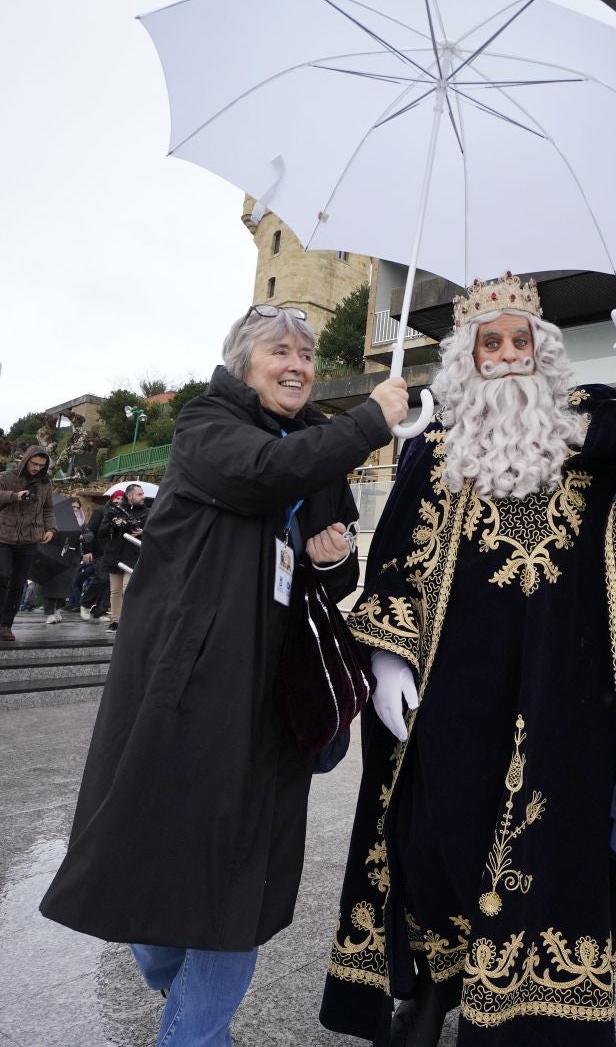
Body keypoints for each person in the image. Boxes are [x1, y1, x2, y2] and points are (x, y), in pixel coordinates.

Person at [320, 275, 616, 1047]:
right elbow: (396, 563)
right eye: (493, 343)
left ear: (543, 350)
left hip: (568, 694)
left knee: (552, 853)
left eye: (521, 341)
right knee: (435, 841)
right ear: (468, 357)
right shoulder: (437, 445)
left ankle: (542, 1020)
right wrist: (387, 658)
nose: (509, 354)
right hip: (457, 691)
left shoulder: (590, 419)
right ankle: (435, 983)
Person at [40, 305, 408, 1047]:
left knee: (235, 887)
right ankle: (180, 991)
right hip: (185, 689)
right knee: (149, 863)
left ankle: (195, 1035)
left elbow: (333, 575)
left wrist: (333, 559)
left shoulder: (319, 449)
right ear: (244, 362)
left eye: (307, 354)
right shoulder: (206, 427)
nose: (299, 364)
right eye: (282, 351)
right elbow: (261, 475)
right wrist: (371, 420)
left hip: (274, 698)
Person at [0, 446, 56, 642]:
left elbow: (48, 509)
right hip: (3, 536)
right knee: (2, 575)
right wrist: (14, 496)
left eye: (42, 465)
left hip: (30, 538)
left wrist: (51, 529)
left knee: (18, 583)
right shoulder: (7, 477)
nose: (37, 468)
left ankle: (6, 625)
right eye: (34, 464)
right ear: (26, 460)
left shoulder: (45, 483)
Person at [99, 483, 150, 631]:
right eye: (139, 494)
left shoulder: (147, 513)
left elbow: (156, 532)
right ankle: (116, 621)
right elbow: (101, 531)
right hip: (115, 554)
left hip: (134, 556)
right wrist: (114, 525)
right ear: (130, 496)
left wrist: (143, 532)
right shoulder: (114, 511)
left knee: (128, 589)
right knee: (115, 590)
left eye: (142, 493)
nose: (143, 497)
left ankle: (130, 620)